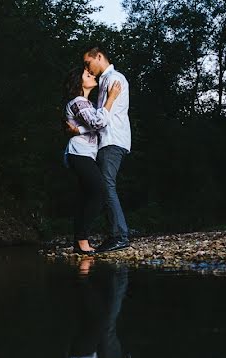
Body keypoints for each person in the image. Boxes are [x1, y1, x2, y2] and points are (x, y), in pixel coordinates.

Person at [70, 46, 132, 253]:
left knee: (106, 185)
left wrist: (78, 128)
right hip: (107, 141)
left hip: (112, 140)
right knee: (103, 186)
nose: (87, 68)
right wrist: (78, 129)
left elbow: (102, 118)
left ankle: (119, 236)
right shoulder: (106, 80)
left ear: (99, 57)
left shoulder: (113, 78)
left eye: (88, 63)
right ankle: (115, 234)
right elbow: (97, 118)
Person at [63, 67, 122, 254]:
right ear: (79, 83)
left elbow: (94, 125)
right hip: (79, 154)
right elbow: (98, 123)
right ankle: (82, 240)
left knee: (85, 197)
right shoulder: (79, 102)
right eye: (87, 75)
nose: (92, 75)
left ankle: (78, 242)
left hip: (84, 154)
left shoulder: (86, 103)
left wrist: (78, 130)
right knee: (100, 192)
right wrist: (112, 97)